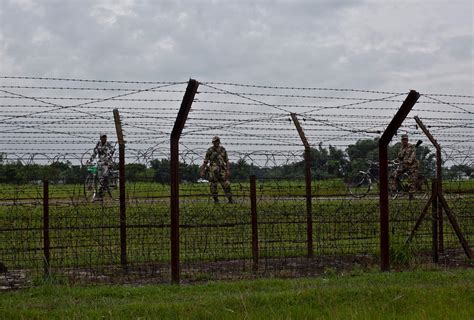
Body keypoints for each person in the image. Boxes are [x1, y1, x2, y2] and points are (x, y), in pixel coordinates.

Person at [199, 136, 233, 203]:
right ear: (213, 142)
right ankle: (216, 200)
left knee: (226, 185)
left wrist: (228, 170)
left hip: (222, 171)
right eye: (215, 141)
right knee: (213, 186)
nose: (216, 142)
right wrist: (202, 170)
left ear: (219, 142)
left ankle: (230, 199)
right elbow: (205, 161)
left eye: (217, 141)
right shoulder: (210, 150)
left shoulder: (223, 150)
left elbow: (227, 161)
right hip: (213, 171)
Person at [88, 132, 115, 201]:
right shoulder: (98, 144)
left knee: (103, 176)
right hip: (100, 162)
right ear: (100, 138)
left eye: (105, 137)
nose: (104, 138)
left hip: (107, 162)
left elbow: (111, 151)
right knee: (97, 176)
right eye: (103, 137)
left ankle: (100, 194)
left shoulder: (108, 144)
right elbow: (94, 153)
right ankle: (97, 191)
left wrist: (107, 158)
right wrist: (90, 160)